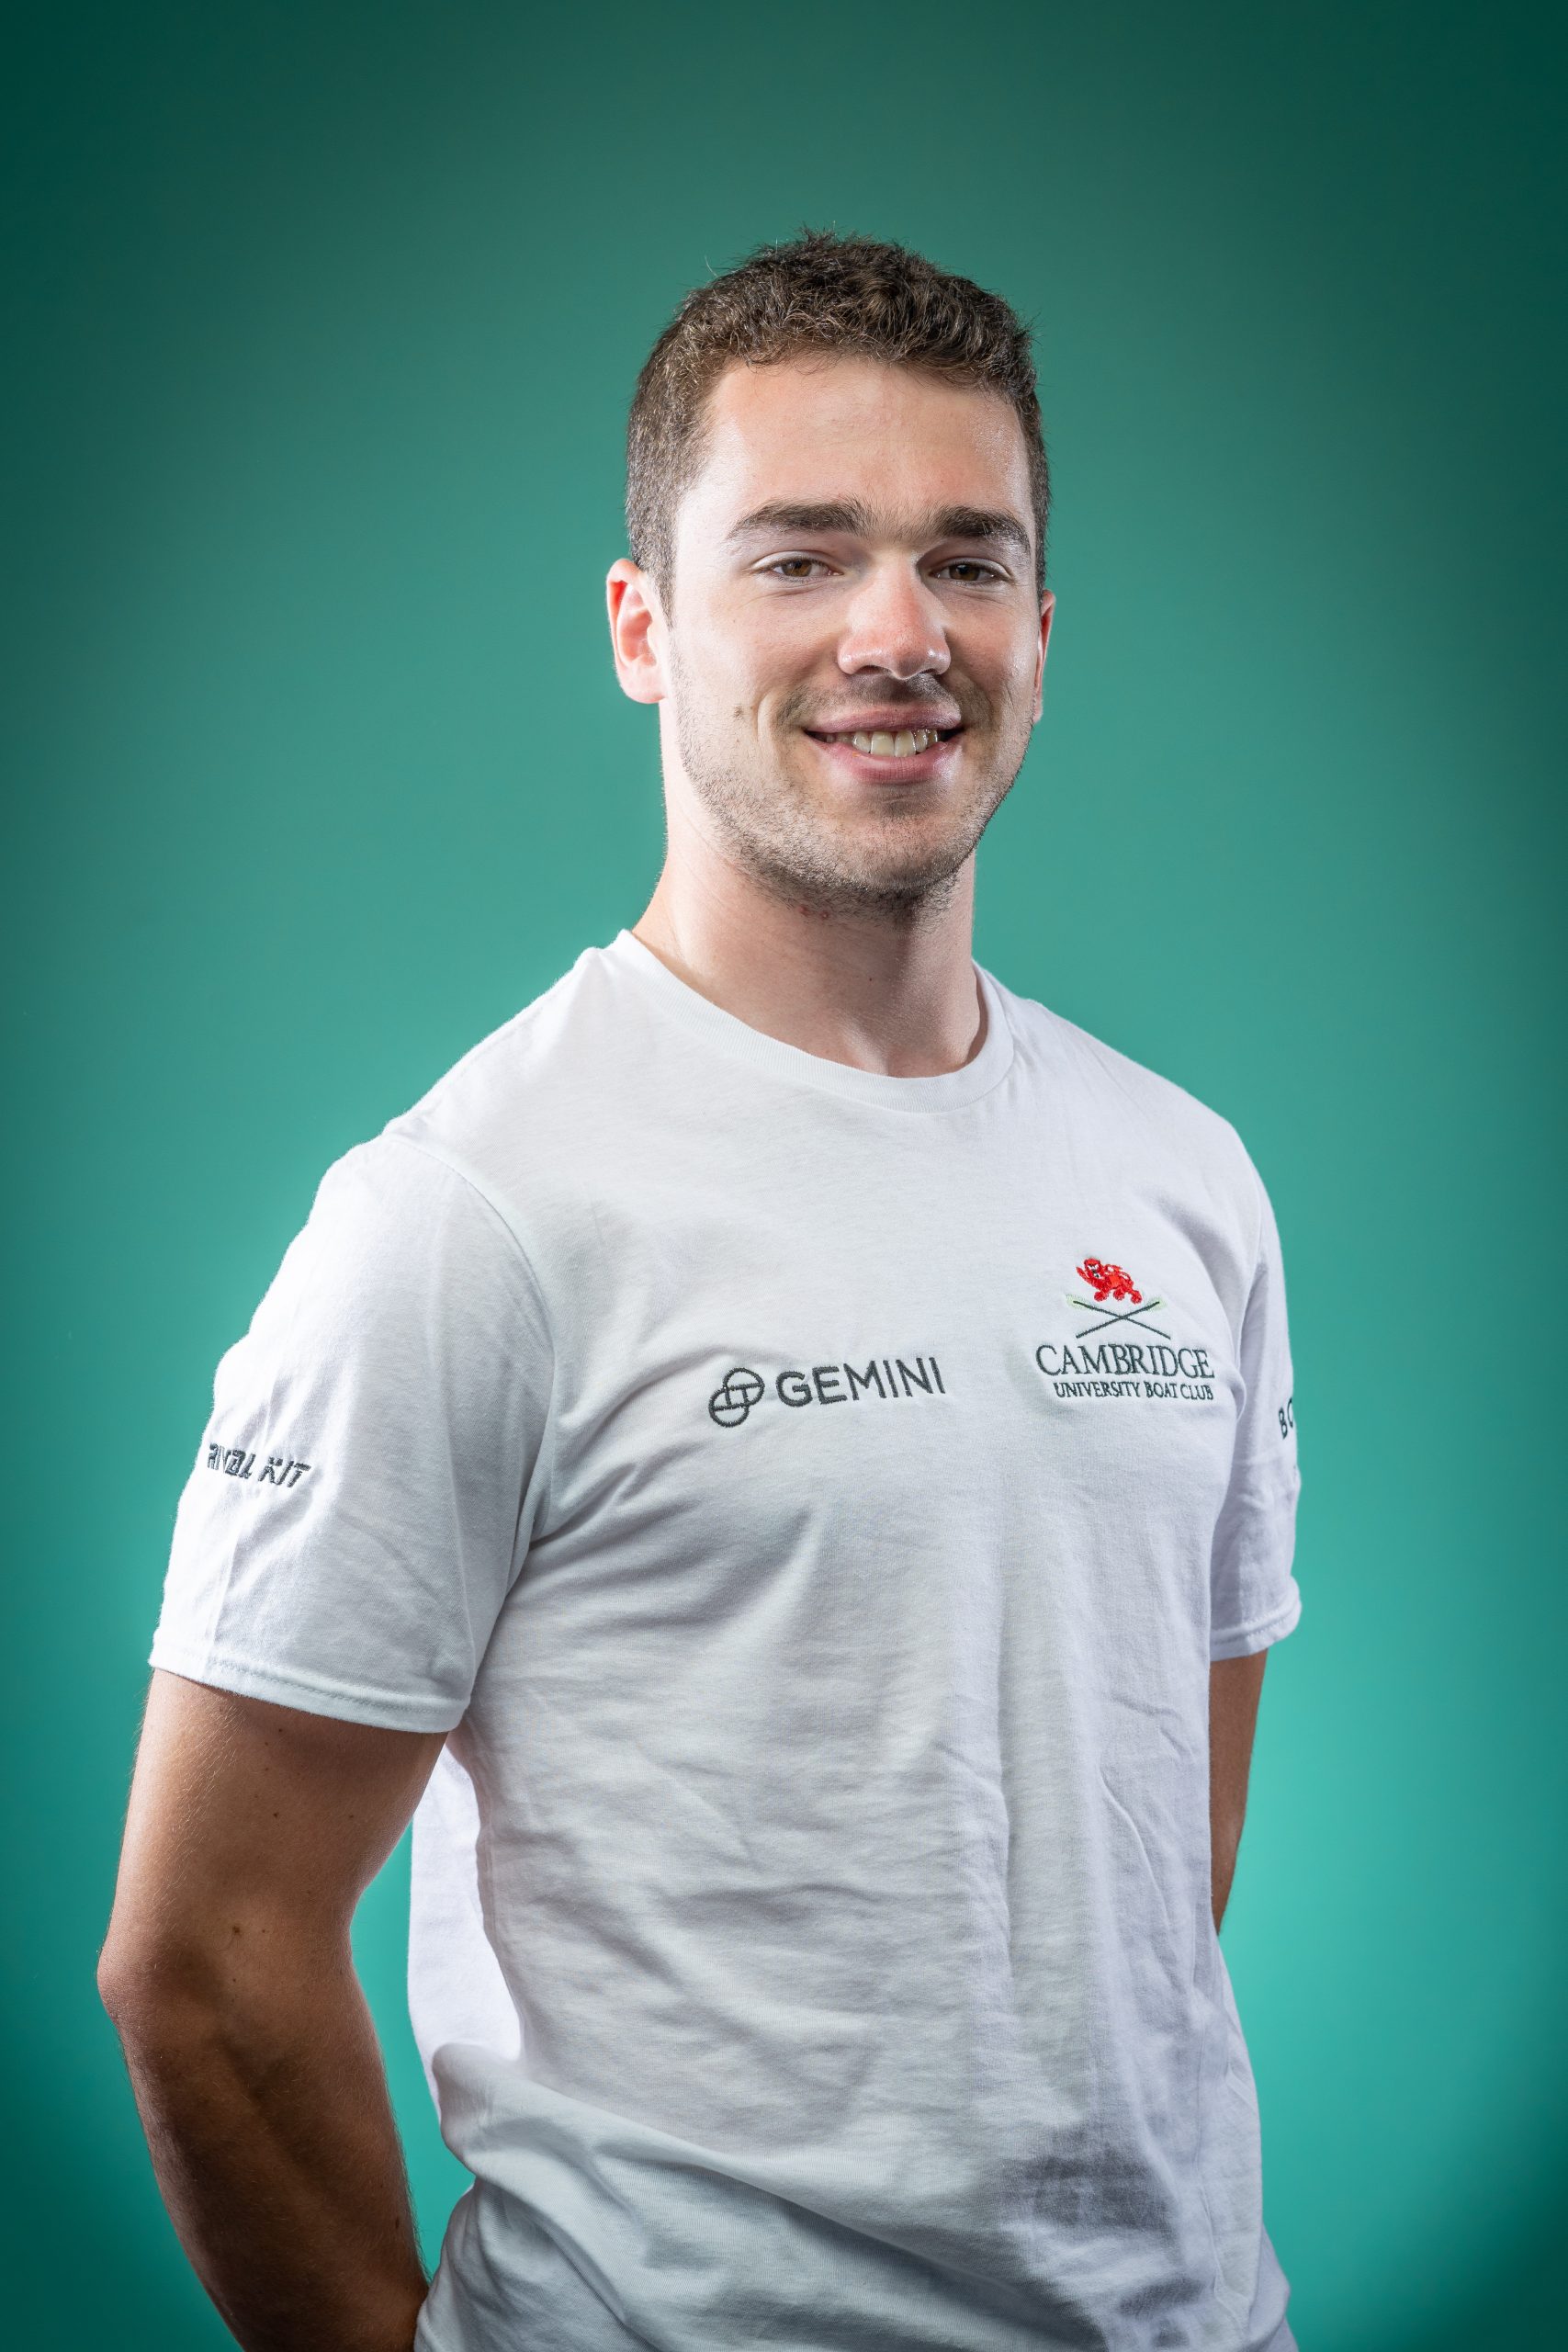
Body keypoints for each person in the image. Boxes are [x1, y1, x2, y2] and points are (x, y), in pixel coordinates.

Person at [98, 230, 1304, 2352]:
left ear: (1039, 629)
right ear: (641, 627)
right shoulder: (468, 1215)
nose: (895, 632)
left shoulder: (1181, 1178)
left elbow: (1145, 1864)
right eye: (801, 555)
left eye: (964, 559)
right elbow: (202, 1965)